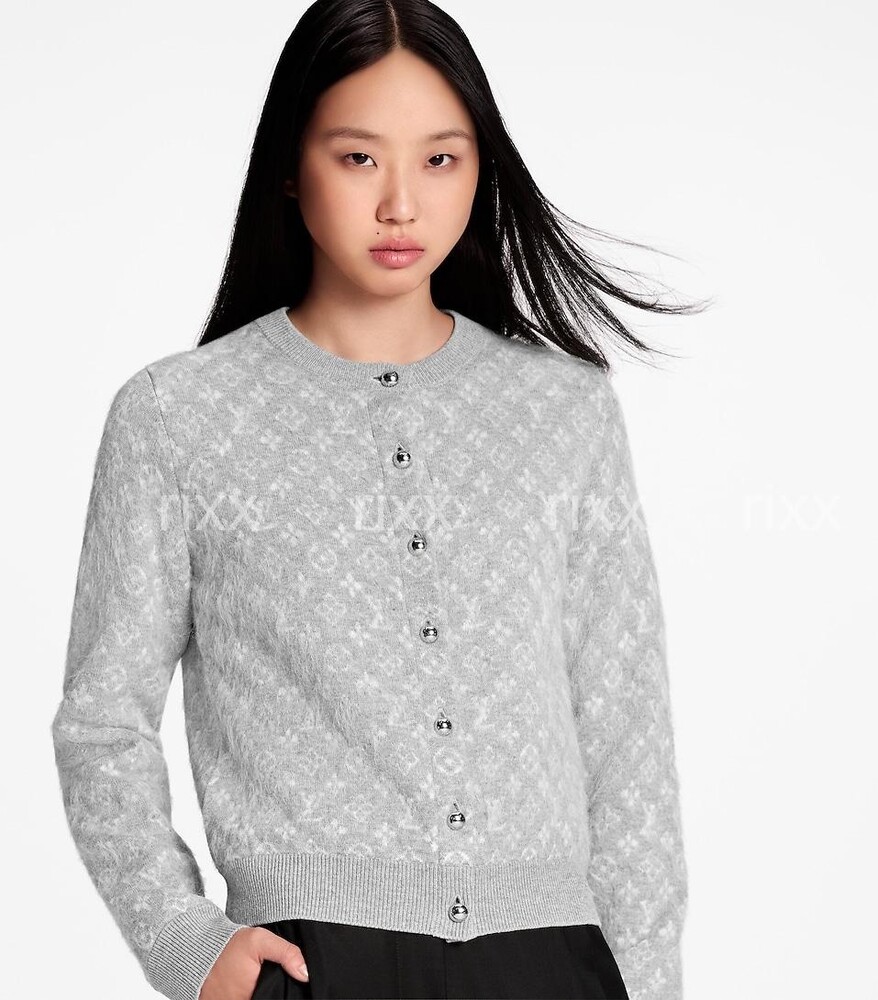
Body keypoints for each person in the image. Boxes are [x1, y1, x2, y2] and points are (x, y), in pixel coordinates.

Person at [50, 2, 707, 999]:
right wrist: (185, 941)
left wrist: (648, 982)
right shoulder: (177, 418)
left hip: (554, 959)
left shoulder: (563, 413)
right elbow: (102, 723)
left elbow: (626, 730)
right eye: (358, 158)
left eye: (440, 159)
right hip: (315, 962)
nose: (401, 203)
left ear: (480, 168)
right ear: (290, 165)